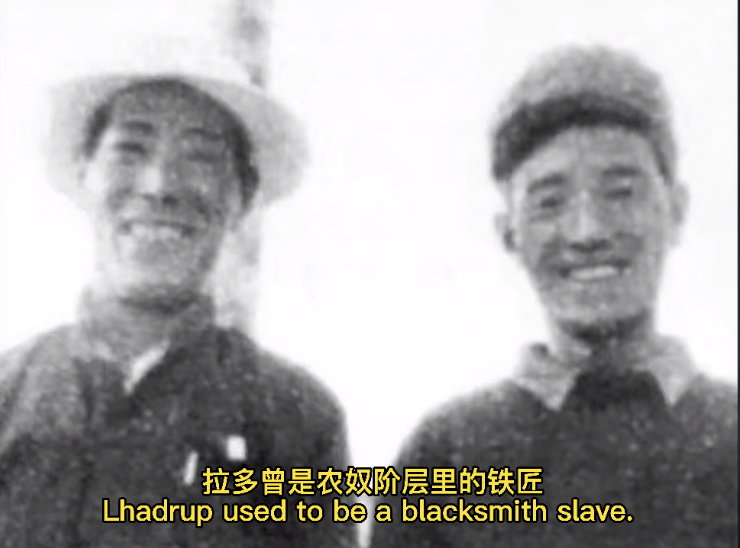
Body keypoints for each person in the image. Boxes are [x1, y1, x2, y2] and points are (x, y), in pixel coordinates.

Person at [368, 45, 737, 547]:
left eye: (620, 192)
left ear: (676, 210)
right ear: (509, 234)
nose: (588, 231)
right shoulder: (444, 455)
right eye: (549, 202)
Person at [0, 40, 356, 548]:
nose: (160, 185)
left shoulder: (295, 418)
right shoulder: (10, 395)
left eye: (200, 157)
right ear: (84, 173)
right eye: (131, 149)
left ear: (241, 198)